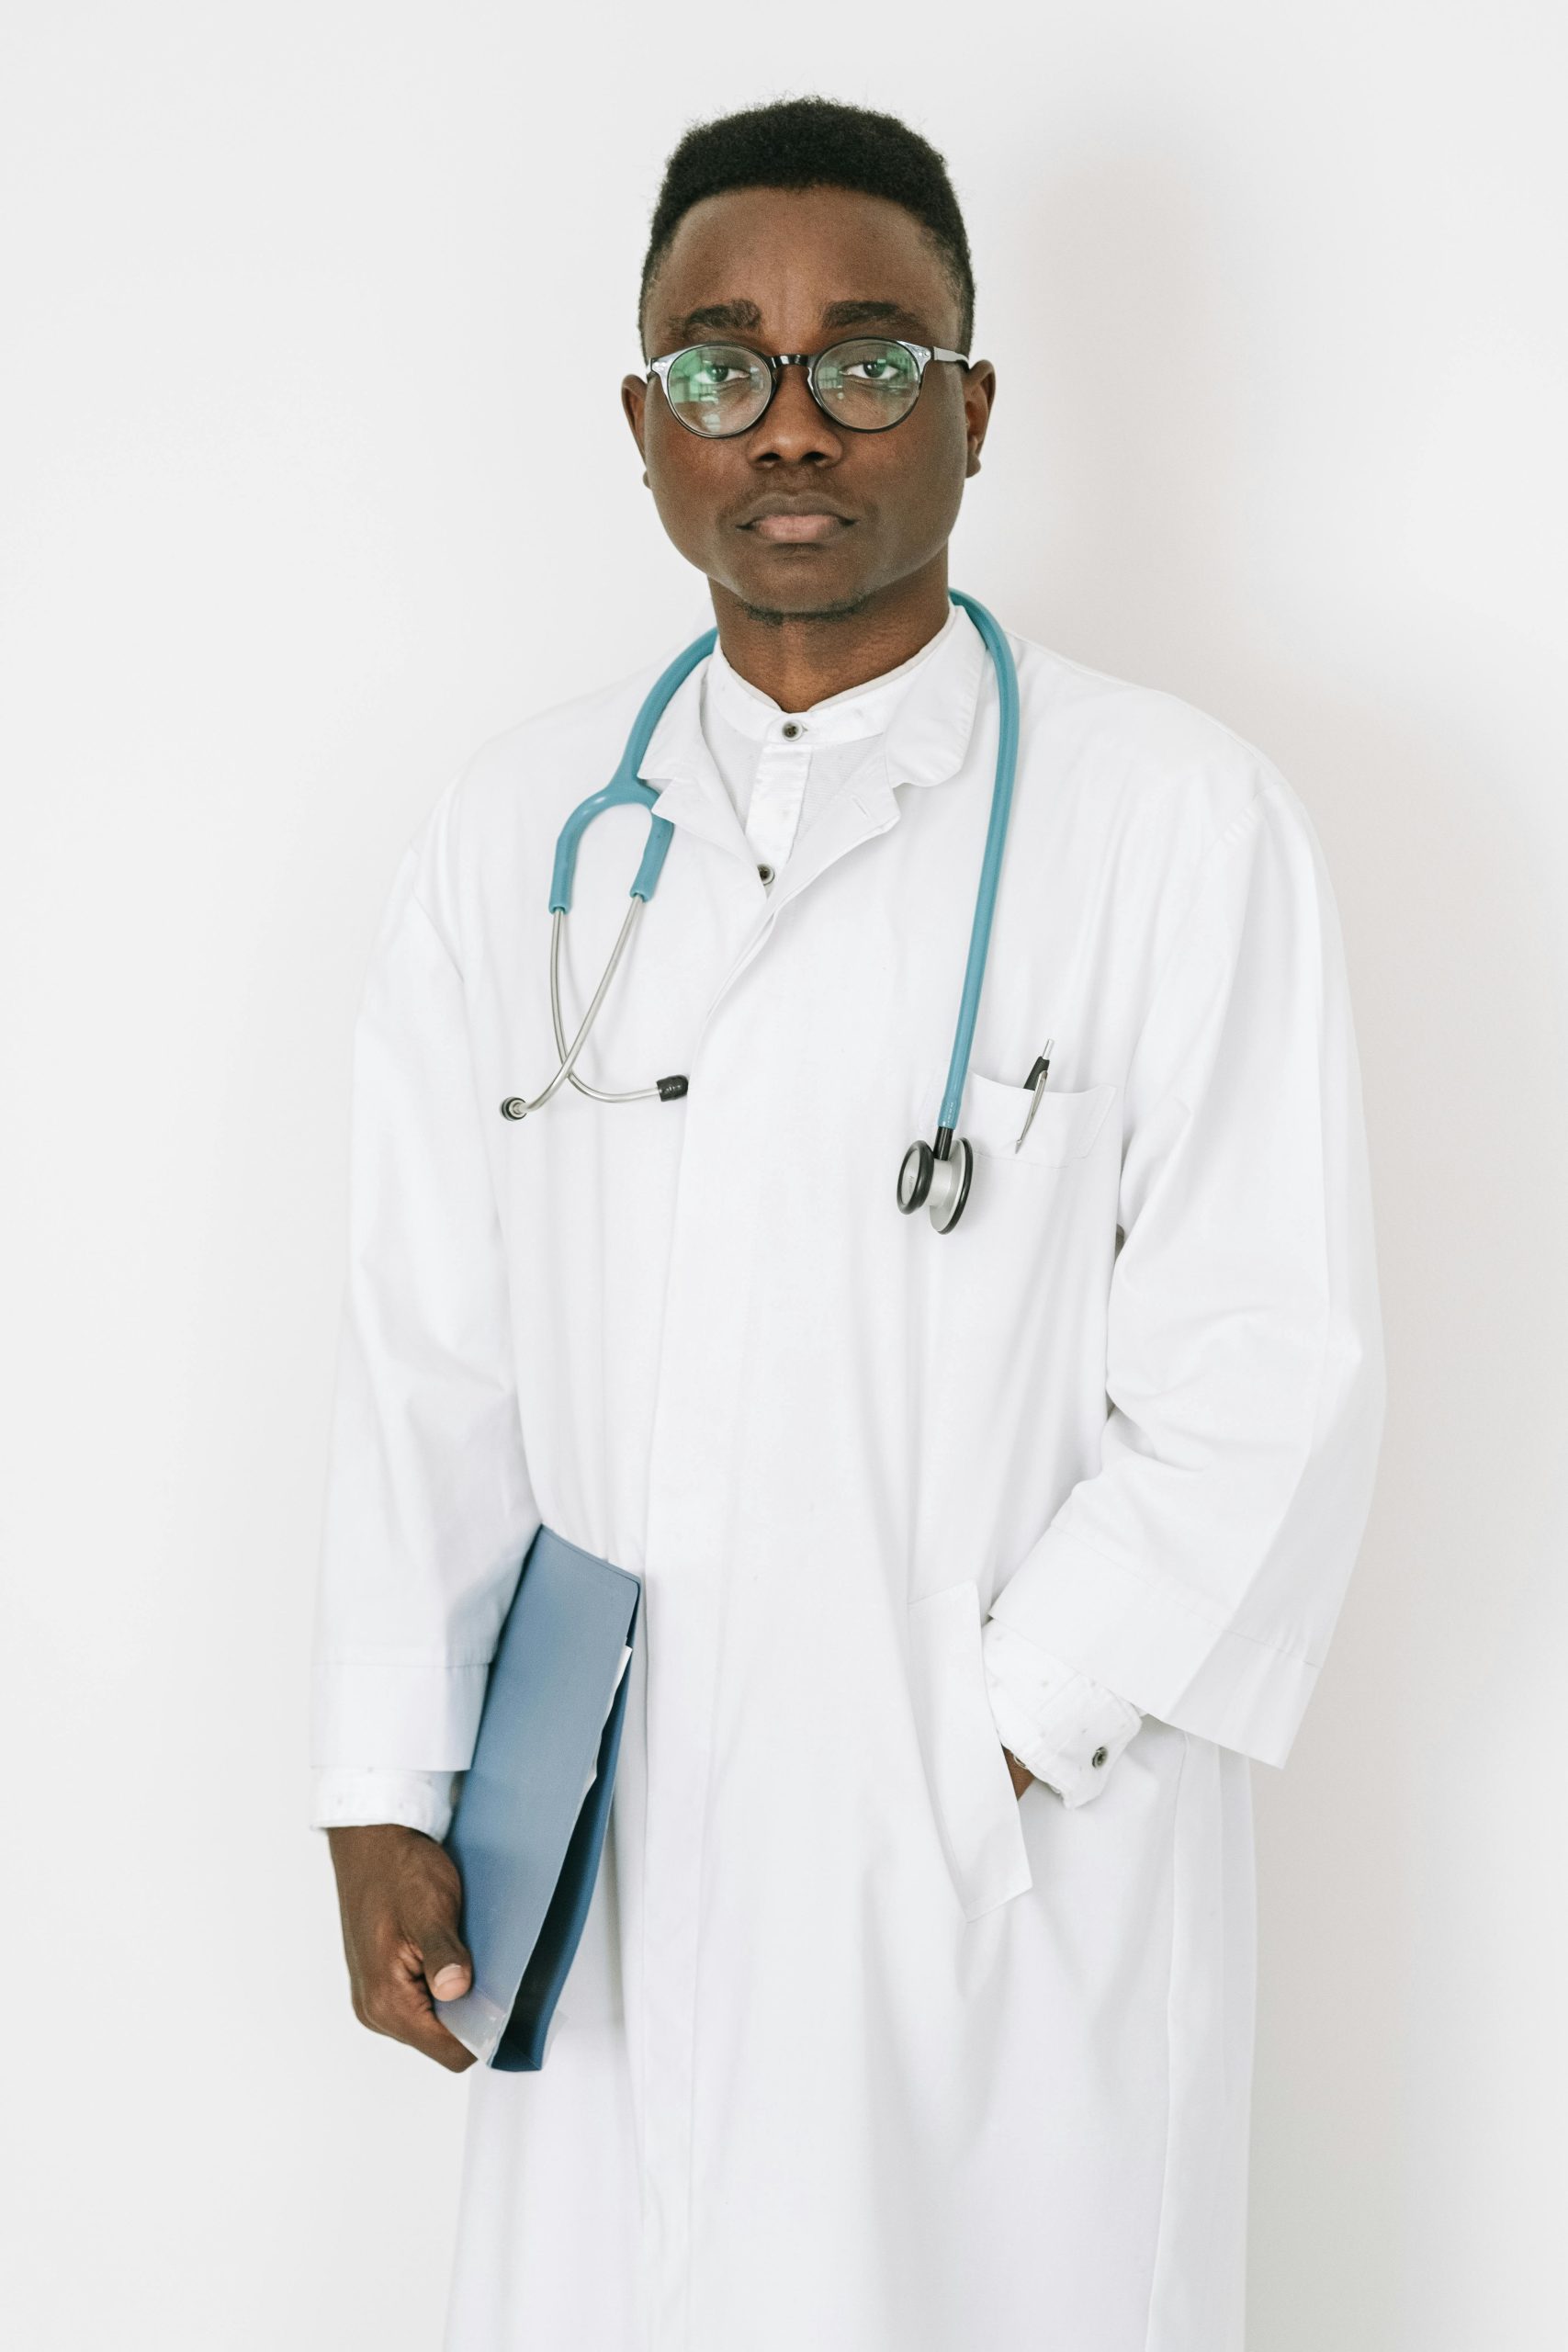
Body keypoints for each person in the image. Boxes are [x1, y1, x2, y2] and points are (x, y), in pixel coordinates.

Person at [310, 95, 1385, 2352]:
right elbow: (428, 1353)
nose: (788, 421)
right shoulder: (521, 840)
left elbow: (1266, 1372)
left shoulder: (1170, 824)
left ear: (972, 408)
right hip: (593, 1846)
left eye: (865, 358)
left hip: (1003, 1869)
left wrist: (960, 1737)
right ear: (642, 423)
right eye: (721, 364)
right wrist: (384, 1776)